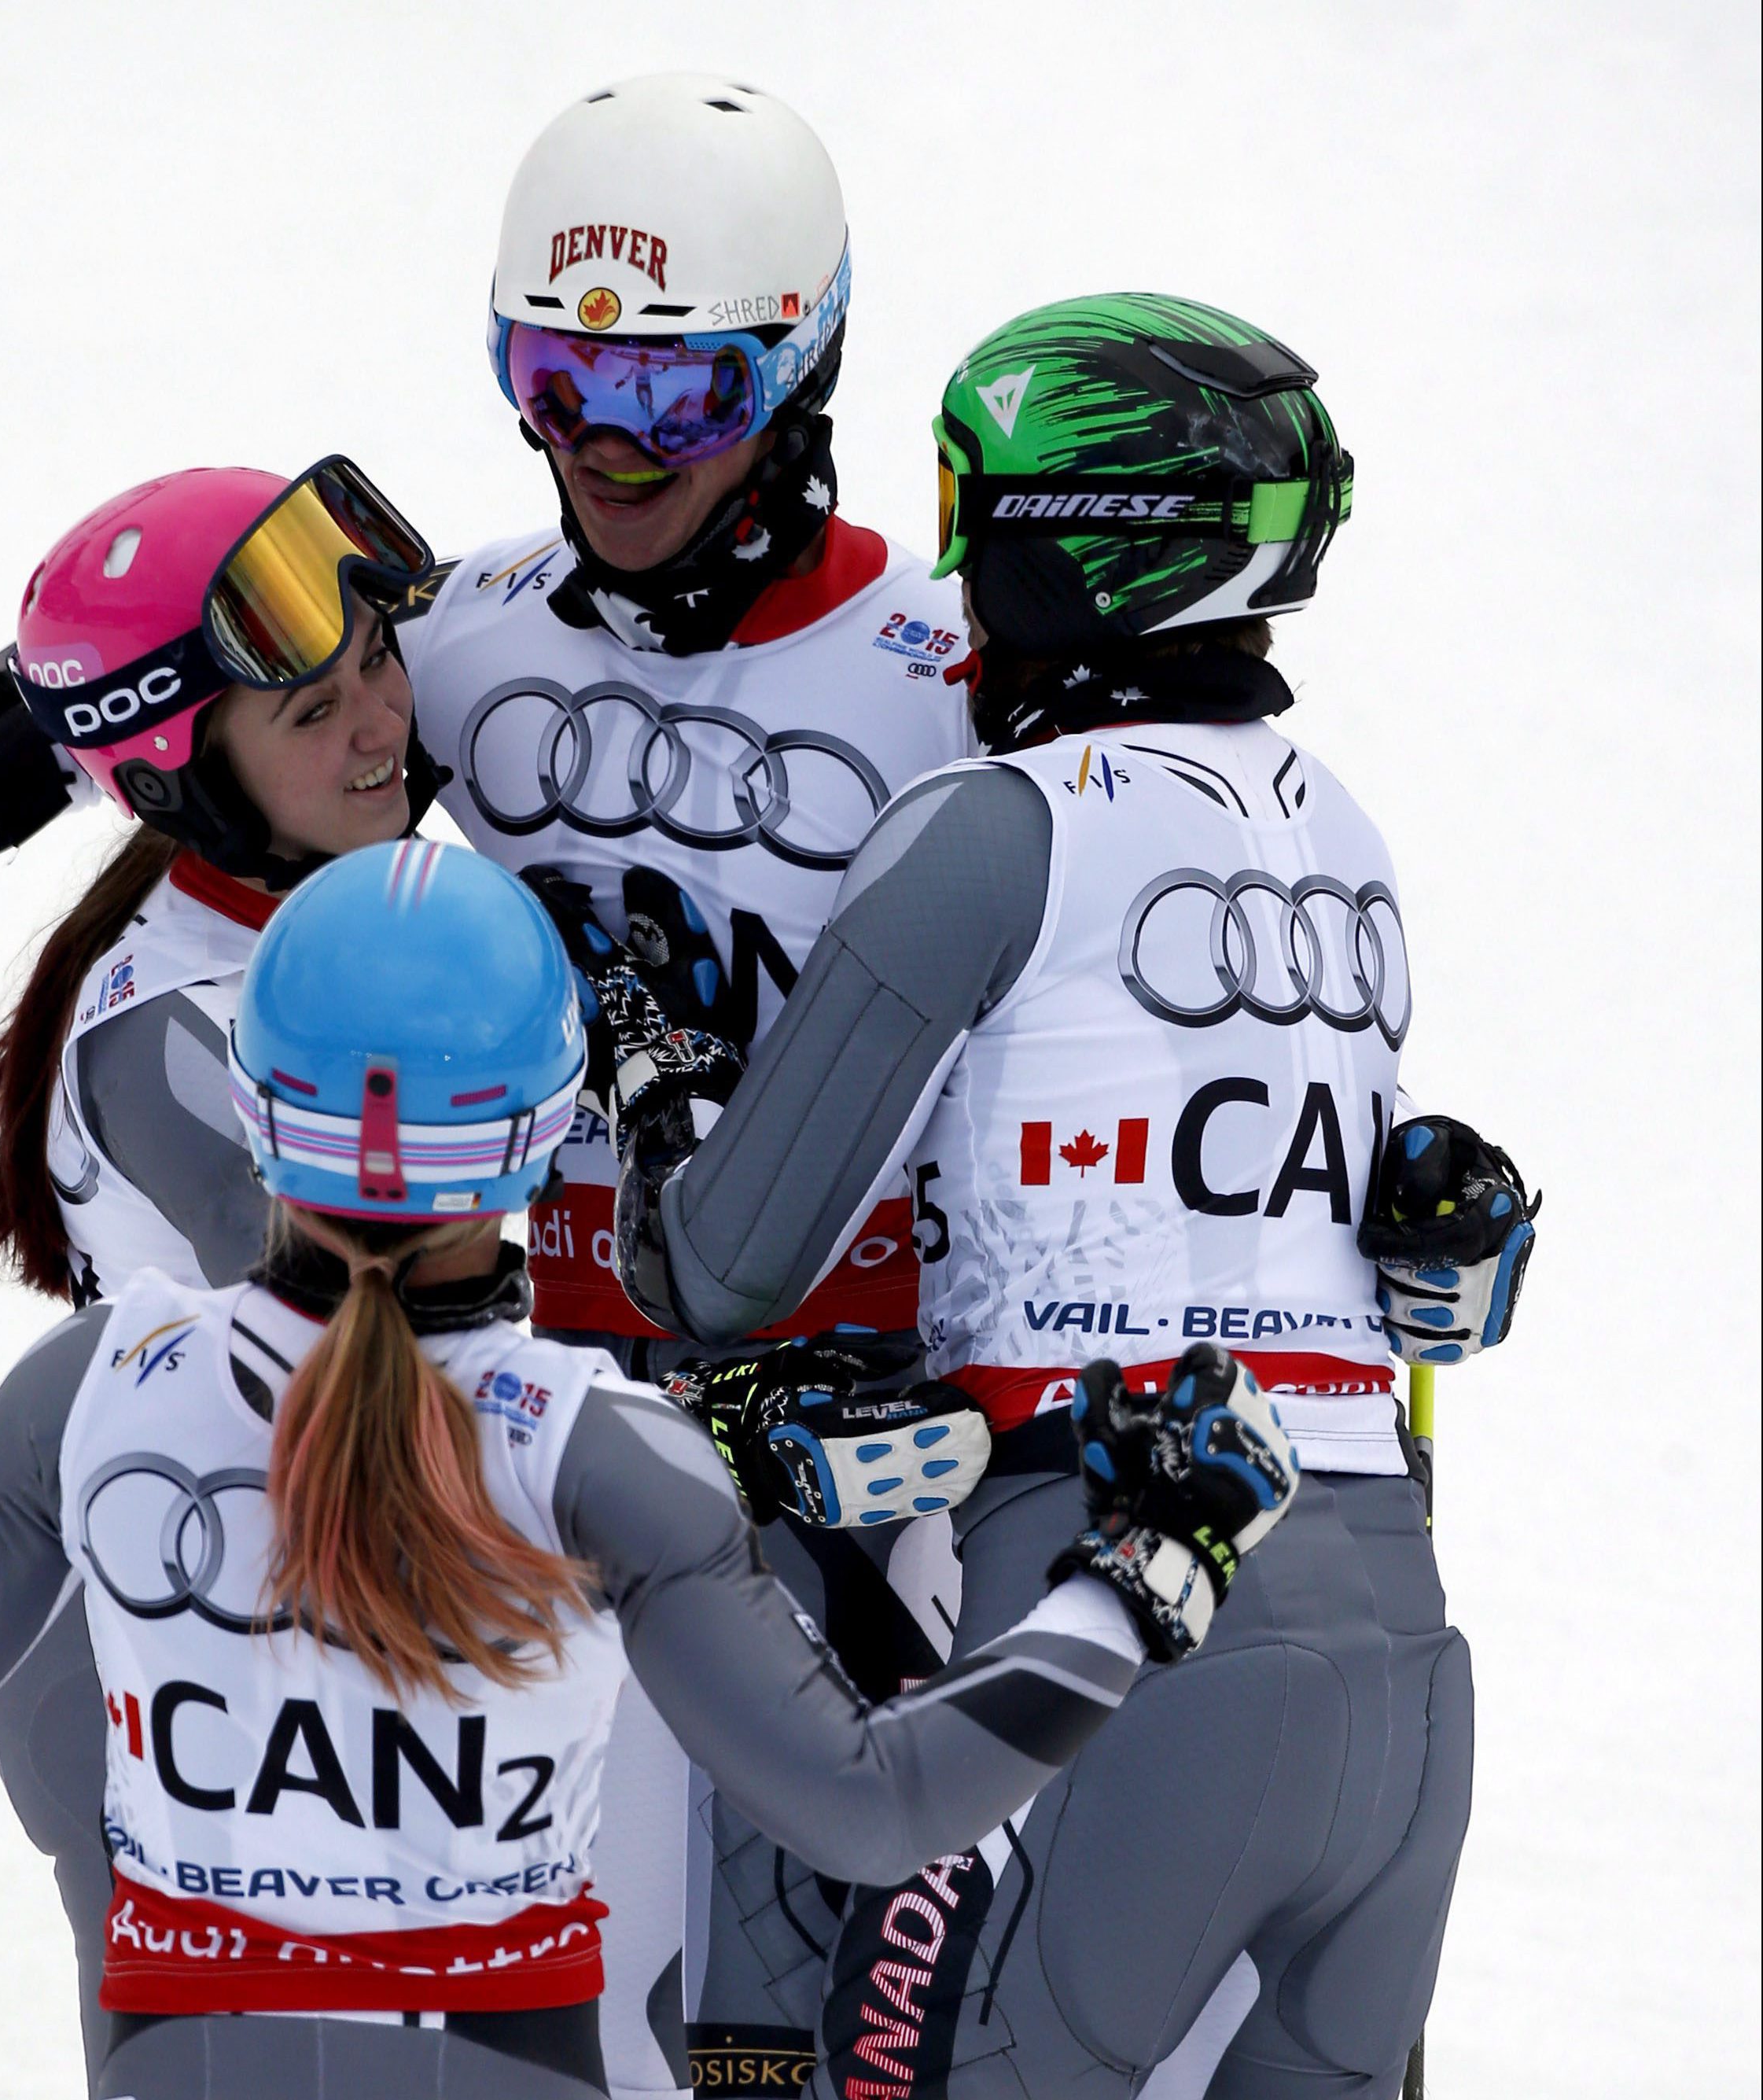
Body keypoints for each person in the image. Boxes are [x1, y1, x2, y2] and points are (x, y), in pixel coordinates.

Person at [0, 73, 982, 2091]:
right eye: (552, 379)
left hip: (613, 1519)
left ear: (800, 367)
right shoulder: (244, 954)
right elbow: (120, 703)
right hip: (408, 1615)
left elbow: (145, 679)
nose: (599, 445)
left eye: (670, 399)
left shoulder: (838, 668)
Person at [0, 840, 1301, 2100]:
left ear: (255, 1110)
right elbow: (875, 1812)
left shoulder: (90, 1389)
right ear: (548, 1134)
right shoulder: (604, 1455)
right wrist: (1151, 1574)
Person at [613, 296, 1540, 2097]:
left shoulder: (997, 822)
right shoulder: (1343, 837)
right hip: (1404, 1656)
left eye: (968, 519)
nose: (952, 585)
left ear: (1074, 552)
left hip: (1137, 1624)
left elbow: (720, 1269)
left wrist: (653, 1070)